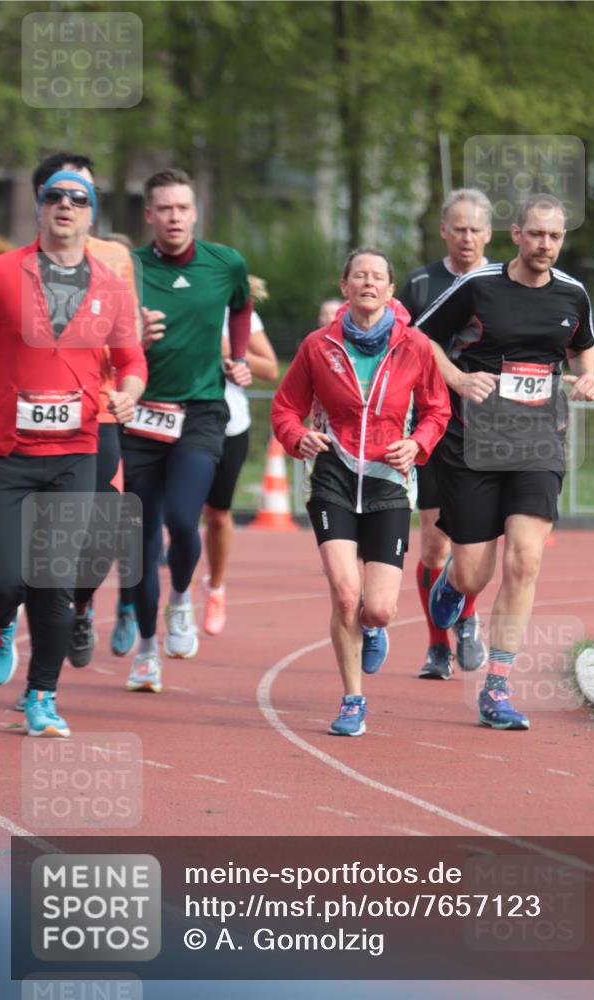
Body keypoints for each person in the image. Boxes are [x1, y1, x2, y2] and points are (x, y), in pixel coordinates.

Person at [417, 193, 594, 730]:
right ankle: (453, 583)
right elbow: (420, 338)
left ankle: (496, 686)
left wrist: (590, 377)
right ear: (516, 234)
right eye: (536, 234)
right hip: (473, 442)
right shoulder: (478, 286)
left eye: (555, 236)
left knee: (525, 559)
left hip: (539, 441)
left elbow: (583, 347)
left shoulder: (572, 293)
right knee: (475, 574)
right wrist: (457, 378)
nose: (546, 245)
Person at [0, 167, 147, 736]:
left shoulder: (110, 286)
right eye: (54, 196)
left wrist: (129, 394)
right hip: (6, 453)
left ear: (90, 214)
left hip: (75, 451)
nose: (65, 204)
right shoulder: (2, 273)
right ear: (40, 206)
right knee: (4, 578)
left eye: (77, 199)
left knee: (53, 582)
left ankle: (42, 696)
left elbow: (131, 360)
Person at [271, 249, 450, 736]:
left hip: (388, 480)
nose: (368, 283)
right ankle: (353, 699)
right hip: (332, 476)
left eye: (377, 277)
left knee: (379, 609)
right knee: (346, 595)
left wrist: (417, 443)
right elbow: (285, 408)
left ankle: (373, 628)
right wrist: (298, 437)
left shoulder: (415, 346)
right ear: (345, 286)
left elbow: (438, 410)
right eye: (359, 276)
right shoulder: (318, 346)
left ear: (390, 290)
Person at [121, 167, 252, 694]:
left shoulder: (226, 263)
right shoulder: (128, 268)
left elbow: (241, 306)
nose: (174, 217)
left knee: (183, 517)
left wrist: (238, 357)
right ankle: (146, 651)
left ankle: (180, 599)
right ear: (149, 214)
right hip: (139, 412)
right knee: (140, 541)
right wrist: (131, 338)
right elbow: (101, 333)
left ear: (194, 213)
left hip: (200, 410)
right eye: (164, 209)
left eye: (182, 208)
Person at [399, 188, 492, 680]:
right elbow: (398, 344)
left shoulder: (503, 282)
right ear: (443, 230)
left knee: (474, 540)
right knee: (435, 545)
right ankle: (437, 646)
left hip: (488, 428)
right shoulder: (419, 283)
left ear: (489, 234)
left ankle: (469, 616)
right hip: (431, 424)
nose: (467, 238)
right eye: (459, 229)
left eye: (475, 229)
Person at [202, 275, 278, 635]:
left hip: (229, 424)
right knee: (177, 516)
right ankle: (176, 595)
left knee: (217, 515)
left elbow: (270, 368)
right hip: (178, 421)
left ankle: (215, 587)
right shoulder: (169, 302)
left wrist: (229, 350)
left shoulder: (235, 314)